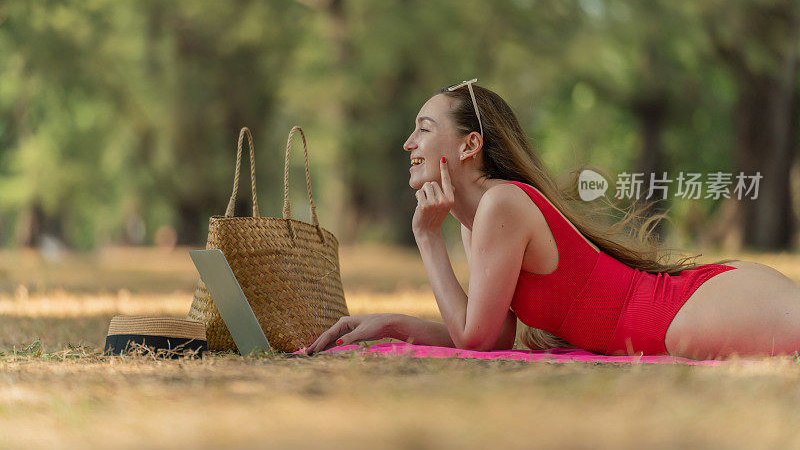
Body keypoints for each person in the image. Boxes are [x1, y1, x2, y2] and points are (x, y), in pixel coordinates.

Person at [302, 80, 800, 360]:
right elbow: (491, 335)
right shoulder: (478, 219)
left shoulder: (502, 205)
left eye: (424, 129)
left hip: (685, 315)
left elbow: (473, 340)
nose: (409, 144)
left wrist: (426, 239)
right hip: (693, 307)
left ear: (470, 145)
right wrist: (389, 322)